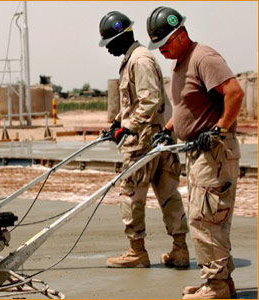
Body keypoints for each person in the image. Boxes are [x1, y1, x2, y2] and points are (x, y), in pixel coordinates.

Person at [147, 6, 244, 299]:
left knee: (206, 218)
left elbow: (235, 92)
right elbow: (188, 107)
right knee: (208, 217)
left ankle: (215, 287)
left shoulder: (204, 57)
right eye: (158, 46)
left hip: (213, 153)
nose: (161, 50)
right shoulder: (181, 63)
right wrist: (168, 128)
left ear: (181, 34)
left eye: (165, 43)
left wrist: (220, 129)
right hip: (198, 154)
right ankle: (220, 283)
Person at [98, 11, 189, 269]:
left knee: (131, 196)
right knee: (169, 195)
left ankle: (137, 251)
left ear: (121, 37)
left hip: (143, 143)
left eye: (109, 44)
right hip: (159, 138)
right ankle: (179, 250)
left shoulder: (139, 61)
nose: (108, 50)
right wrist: (118, 121)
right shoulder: (137, 59)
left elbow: (149, 100)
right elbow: (136, 101)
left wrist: (126, 128)